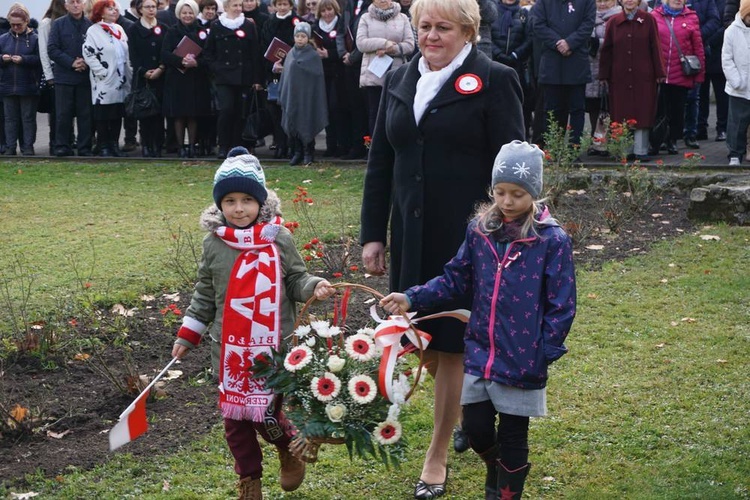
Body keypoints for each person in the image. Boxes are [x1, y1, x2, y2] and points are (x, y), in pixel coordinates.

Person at [359, 0, 525, 497]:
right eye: (424, 26)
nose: (431, 36)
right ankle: (464, 412)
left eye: (443, 27)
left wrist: (504, 234)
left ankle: (435, 458)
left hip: (468, 240)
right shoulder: (398, 79)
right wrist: (373, 234)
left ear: (469, 30)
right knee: (421, 337)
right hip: (411, 236)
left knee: (450, 345)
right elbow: (380, 164)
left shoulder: (494, 78)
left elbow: (511, 168)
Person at [381, 140, 576, 500]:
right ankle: (496, 466)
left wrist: (544, 349)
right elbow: (455, 278)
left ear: (534, 192)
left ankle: (502, 492)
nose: (506, 201)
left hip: (522, 354)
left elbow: (561, 302)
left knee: (514, 434)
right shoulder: (479, 231)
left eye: (517, 193)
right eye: (500, 192)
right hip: (480, 351)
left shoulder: (551, 240)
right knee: (476, 429)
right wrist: (412, 297)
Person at [170, 146, 335, 500]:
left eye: (247, 199)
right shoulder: (214, 245)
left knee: (265, 416)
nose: (239, 208)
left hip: (272, 348)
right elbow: (204, 295)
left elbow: (295, 279)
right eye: (230, 201)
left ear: (262, 202)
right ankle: (250, 481)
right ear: (220, 206)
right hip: (230, 352)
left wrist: (313, 287)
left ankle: (290, 449)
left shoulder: (278, 239)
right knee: (235, 424)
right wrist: (188, 334)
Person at [598, 0, 665, 161]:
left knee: (642, 112)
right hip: (619, 77)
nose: (629, 1)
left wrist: (659, 72)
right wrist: (603, 75)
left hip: (644, 76)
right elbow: (606, 50)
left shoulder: (648, 19)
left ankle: (641, 151)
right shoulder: (613, 22)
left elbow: (655, 46)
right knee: (621, 113)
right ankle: (624, 151)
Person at [533, 0, 596, 150]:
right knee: (551, 109)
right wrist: (557, 43)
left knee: (577, 108)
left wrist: (570, 43)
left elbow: (587, 24)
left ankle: (573, 149)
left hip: (576, 60)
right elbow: (538, 25)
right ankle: (552, 148)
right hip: (552, 62)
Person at [203, 0, 263, 158]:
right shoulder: (217, 25)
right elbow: (208, 52)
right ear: (227, 7)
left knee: (240, 112)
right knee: (226, 109)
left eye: (239, 6)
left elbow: (255, 53)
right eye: (234, 5)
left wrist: (257, 79)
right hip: (223, 76)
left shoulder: (248, 25)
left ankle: (238, 146)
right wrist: (216, 68)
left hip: (244, 76)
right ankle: (223, 145)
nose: (238, 9)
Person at [651, 0, 704, 155]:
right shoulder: (654, 16)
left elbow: (698, 47)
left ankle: (672, 140)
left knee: (677, 110)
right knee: (659, 110)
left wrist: (699, 75)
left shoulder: (692, 17)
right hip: (658, 75)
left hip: (680, 74)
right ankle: (657, 140)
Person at [355, 0, 414, 135]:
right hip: (374, 73)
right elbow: (361, 43)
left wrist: (392, 49)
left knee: (396, 114)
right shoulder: (366, 17)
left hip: (397, 72)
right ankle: (375, 151)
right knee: (375, 114)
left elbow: (410, 45)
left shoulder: (403, 17)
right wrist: (384, 43)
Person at [161, 0, 211, 158]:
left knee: (193, 114)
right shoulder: (172, 31)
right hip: (177, 78)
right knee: (179, 115)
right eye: (184, 12)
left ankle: (192, 146)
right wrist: (181, 61)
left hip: (196, 78)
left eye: (190, 12)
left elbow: (209, 56)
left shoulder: (202, 32)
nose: (187, 15)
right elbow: (165, 54)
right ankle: (181, 146)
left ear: (195, 14)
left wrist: (196, 62)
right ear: (179, 14)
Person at [83, 0, 132, 157]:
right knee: (104, 113)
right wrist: (101, 72)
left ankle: (114, 144)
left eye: (115, 9)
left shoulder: (119, 29)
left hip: (121, 79)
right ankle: (103, 145)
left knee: (117, 112)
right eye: (110, 9)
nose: (114, 11)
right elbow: (88, 53)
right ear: (101, 12)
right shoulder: (93, 30)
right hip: (104, 80)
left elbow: (126, 52)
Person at [277, 21, 328, 164]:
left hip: (307, 97)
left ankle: (308, 152)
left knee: (307, 120)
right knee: (292, 121)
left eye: (303, 36)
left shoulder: (313, 56)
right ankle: (297, 151)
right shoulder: (290, 54)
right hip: (292, 96)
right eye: (297, 36)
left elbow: (317, 77)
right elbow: (285, 76)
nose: (300, 39)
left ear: (308, 38)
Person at [48, 0, 93, 156]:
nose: (75, 5)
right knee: (63, 114)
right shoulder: (58, 24)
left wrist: (85, 62)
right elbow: (52, 49)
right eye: (71, 2)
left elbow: (95, 49)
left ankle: (85, 146)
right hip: (64, 77)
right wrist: (72, 62)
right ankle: (62, 145)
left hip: (84, 77)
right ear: (66, 5)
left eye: (78, 2)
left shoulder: (90, 25)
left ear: (83, 4)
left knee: (85, 114)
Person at [128, 0, 168, 157]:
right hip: (142, 77)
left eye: (153, 7)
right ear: (140, 9)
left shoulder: (164, 28)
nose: (151, 10)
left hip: (161, 75)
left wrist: (161, 68)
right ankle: (146, 145)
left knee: (159, 113)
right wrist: (144, 71)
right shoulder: (133, 29)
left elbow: (167, 50)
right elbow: (133, 54)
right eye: (147, 7)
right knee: (145, 113)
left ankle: (158, 145)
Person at [0, 3, 40, 156]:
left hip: (28, 85)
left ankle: (28, 147)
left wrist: (24, 60)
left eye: (19, 25)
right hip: (8, 85)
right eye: (13, 24)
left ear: (26, 22)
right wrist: (2, 59)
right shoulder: (3, 39)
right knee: (10, 119)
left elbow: (39, 60)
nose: (15, 27)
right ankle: (10, 148)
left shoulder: (35, 39)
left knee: (28, 119)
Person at [260, 0, 298, 159]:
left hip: (293, 73)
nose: (282, 7)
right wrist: (271, 65)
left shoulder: (296, 22)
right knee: (275, 111)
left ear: (290, 6)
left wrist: (287, 64)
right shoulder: (268, 23)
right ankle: (280, 144)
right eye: (279, 4)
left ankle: (292, 145)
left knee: (290, 111)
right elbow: (264, 47)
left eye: (285, 4)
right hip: (273, 73)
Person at [490, 0, 533, 136]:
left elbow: (529, 38)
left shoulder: (524, 14)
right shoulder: (492, 12)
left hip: (517, 66)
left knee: (519, 103)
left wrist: (515, 55)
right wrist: (498, 54)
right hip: (495, 63)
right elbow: (486, 36)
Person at [583, 0, 620, 156]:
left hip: (610, 68)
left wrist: (597, 43)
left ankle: (608, 142)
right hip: (589, 69)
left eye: (607, 0)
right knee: (593, 106)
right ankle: (596, 141)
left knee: (609, 107)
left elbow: (619, 41)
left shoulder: (618, 16)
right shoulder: (587, 16)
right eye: (599, 0)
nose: (603, 4)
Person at [313, 0, 347, 157]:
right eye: (324, 11)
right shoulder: (315, 27)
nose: (327, 14)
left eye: (330, 10)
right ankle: (330, 144)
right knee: (326, 110)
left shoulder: (341, 24)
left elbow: (345, 46)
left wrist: (329, 54)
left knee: (337, 108)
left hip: (339, 73)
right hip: (321, 74)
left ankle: (341, 144)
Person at [721, 0, 750, 166]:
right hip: (738, 88)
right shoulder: (732, 31)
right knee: (737, 123)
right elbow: (726, 59)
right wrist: (736, 81)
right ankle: (735, 153)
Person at [38, 0, 68, 154]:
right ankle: (54, 142)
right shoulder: (47, 23)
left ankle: (67, 141)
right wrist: (49, 76)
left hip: (67, 68)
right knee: (56, 111)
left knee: (67, 110)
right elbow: (44, 51)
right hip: (53, 69)